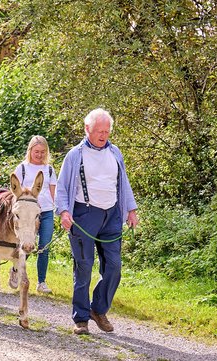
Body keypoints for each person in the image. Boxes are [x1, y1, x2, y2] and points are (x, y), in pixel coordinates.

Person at [55, 108, 139, 335]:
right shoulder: (75, 154)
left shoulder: (115, 152)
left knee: (114, 266)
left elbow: (124, 183)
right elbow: (62, 187)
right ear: (87, 129)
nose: (103, 135)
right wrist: (64, 212)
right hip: (84, 214)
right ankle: (81, 318)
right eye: (99, 131)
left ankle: (98, 309)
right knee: (84, 267)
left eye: (107, 131)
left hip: (112, 215)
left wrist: (130, 210)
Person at [8, 136, 58, 294]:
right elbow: (16, 194)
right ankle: (16, 271)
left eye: (43, 152)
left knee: (44, 245)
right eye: (37, 151)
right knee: (26, 244)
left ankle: (41, 282)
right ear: (30, 151)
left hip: (46, 211)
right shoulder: (22, 168)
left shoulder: (49, 169)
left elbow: (53, 192)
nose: (40, 154)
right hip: (28, 214)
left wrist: (59, 210)